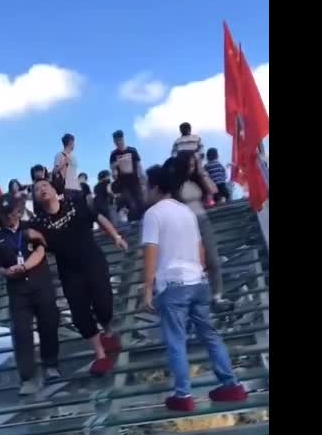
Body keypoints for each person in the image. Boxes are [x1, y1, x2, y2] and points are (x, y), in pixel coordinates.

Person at [140, 161, 245, 411]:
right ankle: (231, 385)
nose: (145, 191)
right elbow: (200, 248)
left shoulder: (153, 214)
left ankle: (183, 395)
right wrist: (199, 272)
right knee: (210, 335)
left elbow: (151, 250)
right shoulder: (186, 211)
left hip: (174, 285)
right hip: (198, 282)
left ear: (155, 188)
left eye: (147, 186)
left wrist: (147, 288)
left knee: (176, 341)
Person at [30, 178, 127, 375]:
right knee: (80, 314)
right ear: (35, 198)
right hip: (69, 272)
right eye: (37, 189)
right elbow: (36, 247)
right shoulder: (38, 224)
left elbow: (99, 218)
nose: (42, 189)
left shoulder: (74, 205)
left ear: (53, 189)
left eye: (45, 186)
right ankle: (99, 354)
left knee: (103, 305)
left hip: (94, 263)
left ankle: (107, 332)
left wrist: (116, 236)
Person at [0, 194, 62, 394]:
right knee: (22, 332)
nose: (10, 218)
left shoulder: (30, 227)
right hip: (17, 290)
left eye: (12, 213)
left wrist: (26, 266)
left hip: (40, 282)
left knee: (48, 323)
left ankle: (51, 365)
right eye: (5, 215)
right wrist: (7, 272)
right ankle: (28, 377)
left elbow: (41, 250)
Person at [173, 149, 233, 312]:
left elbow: (213, 190)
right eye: (190, 164)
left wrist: (200, 170)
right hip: (185, 225)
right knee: (194, 265)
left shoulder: (196, 179)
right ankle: (196, 301)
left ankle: (217, 296)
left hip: (203, 220)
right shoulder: (175, 183)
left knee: (213, 260)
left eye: (194, 164)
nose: (192, 167)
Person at [171, 123, 218, 204]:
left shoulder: (196, 138)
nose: (184, 130)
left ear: (189, 129)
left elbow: (201, 150)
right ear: (180, 130)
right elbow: (173, 154)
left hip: (194, 161)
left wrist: (196, 157)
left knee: (202, 178)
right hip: (182, 164)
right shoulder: (177, 141)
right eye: (182, 129)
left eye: (185, 128)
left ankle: (209, 197)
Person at [109, 130, 144, 222]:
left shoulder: (132, 151)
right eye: (115, 141)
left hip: (135, 181)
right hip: (123, 184)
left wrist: (142, 179)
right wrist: (115, 167)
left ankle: (142, 221)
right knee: (130, 204)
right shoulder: (114, 154)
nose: (117, 143)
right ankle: (133, 223)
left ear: (122, 139)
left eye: (119, 140)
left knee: (140, 201)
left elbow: (139, 165)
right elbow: (112, 170)